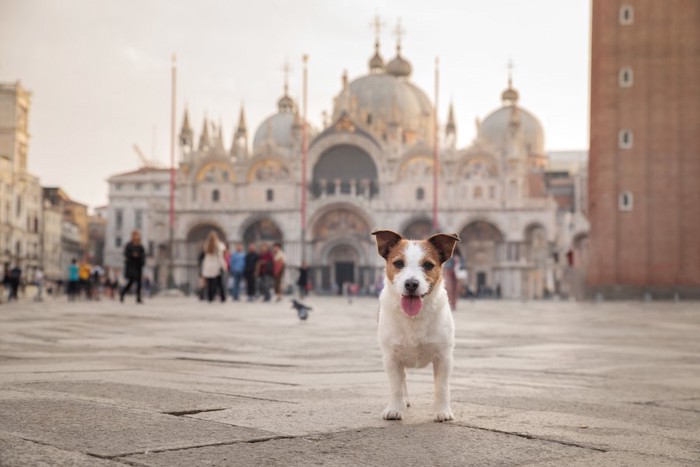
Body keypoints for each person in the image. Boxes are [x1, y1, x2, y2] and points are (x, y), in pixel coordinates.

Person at [120, 230, 146, 304]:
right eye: (135, 235)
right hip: (131, 266)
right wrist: (132, 255)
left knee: (139, 282)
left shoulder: (140, 246)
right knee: (131, 281)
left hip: (138, 266)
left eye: (137, 235)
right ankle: (123, 292)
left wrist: (141, 260)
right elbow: (126, 254)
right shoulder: (129, 245)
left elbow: (143, 255)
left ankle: (138, 298)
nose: (136, 236)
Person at [201, 231, 226, 303]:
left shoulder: (206, 245)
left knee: (210, 283)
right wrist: (223, 266)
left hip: (208, 266)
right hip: (217, 266)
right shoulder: (219, 245)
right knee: (220, 283)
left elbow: (205, 258)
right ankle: (222, 297)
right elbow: (220, 257)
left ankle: (210, 297)